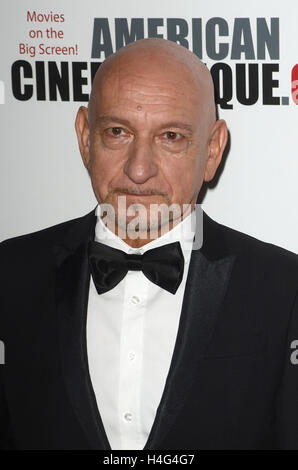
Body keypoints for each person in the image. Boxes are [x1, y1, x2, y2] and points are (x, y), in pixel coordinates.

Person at [0, 38, 298, 450]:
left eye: (171, 136)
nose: (139, 170)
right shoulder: (10, 274)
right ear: (86, 137)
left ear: (212, 150)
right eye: (118, 132)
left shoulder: (284, 289)